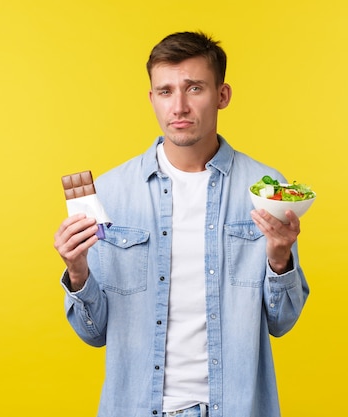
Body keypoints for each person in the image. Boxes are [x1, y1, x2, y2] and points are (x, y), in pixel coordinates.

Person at [53, 31, 310, 417]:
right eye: (166, 91)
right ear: (152, 98)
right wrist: (77, 272)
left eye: (194, 88)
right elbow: (94, 333)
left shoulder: (265, 189)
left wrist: (279, 260)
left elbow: (281, 322)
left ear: (222, 95)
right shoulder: (109, 194)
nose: (180, 107)